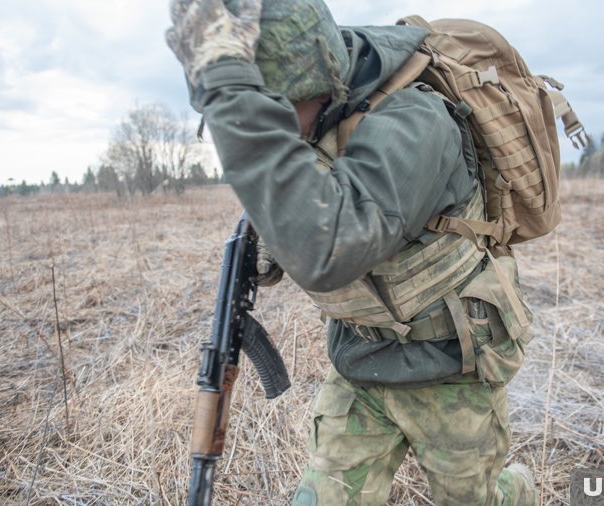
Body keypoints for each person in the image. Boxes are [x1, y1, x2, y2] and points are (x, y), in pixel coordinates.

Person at [166, 0, 539, 504]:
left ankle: (518, 491)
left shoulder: (416, 119)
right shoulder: (316, 124)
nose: (273, 130)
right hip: (362, 360)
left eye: (274, 113)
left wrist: (234, 90)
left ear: (315, 83)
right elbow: (303, 224)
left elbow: (330, 248)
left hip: (453, 365)